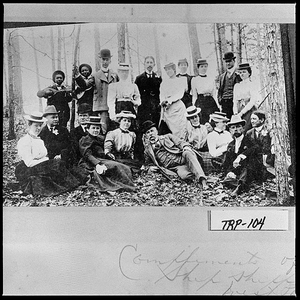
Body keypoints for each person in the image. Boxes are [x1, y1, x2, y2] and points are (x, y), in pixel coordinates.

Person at [15, 111, 81, 196]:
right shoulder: (25, 141)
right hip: (26, 169)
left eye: (40, 125)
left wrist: (48, 161)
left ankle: (73, 183)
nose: (38, 128)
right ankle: (70, 184)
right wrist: (48, 161)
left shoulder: (39, 140)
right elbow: (29, 163)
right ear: (29, 125)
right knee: (56, 165)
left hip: (40, 166)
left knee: (59, 164)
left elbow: (44, 155)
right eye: (36, 125)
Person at [141, 120, 207, 189]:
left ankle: (203, 180)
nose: (150, 134)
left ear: (156, 131)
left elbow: (181, 143)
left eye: (152, 131)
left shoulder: (168, 137)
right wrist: (150, 167)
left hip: (182, 158)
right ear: (146, 136)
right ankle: (197, 174)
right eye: (148, 133)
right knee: (184, 176)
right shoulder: (148, 150)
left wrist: (185, 147)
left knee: (187, 153)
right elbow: (148, 164)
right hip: (175, 168)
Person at [78, 116, 136, 194]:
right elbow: (87, 155)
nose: (96, 130)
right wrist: (97, 164)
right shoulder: (85, 139)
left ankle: (127, 184)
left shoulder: (100, 138)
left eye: (97, 128)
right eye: (93, 128)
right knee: (116, 166)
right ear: (88, 129)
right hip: (91, 162)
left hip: (103, 159)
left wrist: (109, 154)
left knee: (124, 165)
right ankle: (123, 186)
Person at [222, 114, 264, 196]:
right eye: (233, 128)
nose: (236, 129)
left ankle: (240, 187)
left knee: (248, 166)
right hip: (238, 172)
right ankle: (243, 184)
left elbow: (255, 148)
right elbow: (226, 164)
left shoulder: (249, 140)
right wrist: (229, 172)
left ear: (243, 128)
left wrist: (240, 156)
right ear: (230, 130)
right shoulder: (231, 145)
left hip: (252, 169)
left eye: (238, 127)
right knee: (226, 180)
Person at [92, 49, 119, 134]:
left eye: (107, 59)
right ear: (100, 60)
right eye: (103, 59)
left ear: (110, 60)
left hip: (113, 106)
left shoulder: (114, 75)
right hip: (101, 106)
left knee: (114, 128)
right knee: (103, 129)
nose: (105, 62)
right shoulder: (95, 75)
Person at [159, 62, 188, 140]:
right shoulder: (163, 83)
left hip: (177, 106)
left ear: (174, 69)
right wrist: (163, 102)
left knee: (180, 128)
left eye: (170, 69)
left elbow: (180, 94)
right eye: (167, 70)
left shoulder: (180, 80)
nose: (168, 71)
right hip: (168, 109)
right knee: (170, 128)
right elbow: (162, 95)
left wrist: (169, 100)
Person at [246, 110, 275, 178]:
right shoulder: (249, 133)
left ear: (262, 120)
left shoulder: (269, 130)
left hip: (268, 159)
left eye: (254, 119)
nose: (252, 121)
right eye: (251, 119)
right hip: (255, 160)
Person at [135, 55, 162, 128]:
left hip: (155, 108)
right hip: (144, 109)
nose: (149, 64)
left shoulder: (158, 78)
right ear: (144, 64)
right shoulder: (139, 78)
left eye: (151, 62)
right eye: (147, 62)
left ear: (154, 64)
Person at [185, 106, 213, 174]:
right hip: (194, 152)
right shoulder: (187, 130)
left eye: (196, 117)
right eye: (192, 118)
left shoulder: (204, 128)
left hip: (204, 150)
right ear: (189, 120)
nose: (195, 119)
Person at [233, 63, 260, 132]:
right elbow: (235, 101)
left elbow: (252, 101)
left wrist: (242, 113)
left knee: (247, 129)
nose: (242, 74)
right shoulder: (237, 86)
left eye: (244, 72)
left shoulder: (252, 84)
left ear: (249, 73)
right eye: (240, 72)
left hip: (249, 110)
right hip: (239, 109)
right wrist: (236, 113)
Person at [191, 59, 219, 124]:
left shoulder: (211, 78)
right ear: (198, 68)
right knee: (203, 120)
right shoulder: (195, 80)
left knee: (213, 119)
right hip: (201, 101)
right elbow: (194, 95)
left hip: (211, 101)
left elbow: (214, 94)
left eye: (205, 66)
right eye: (201, 67)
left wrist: (217, 104)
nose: (204, 68)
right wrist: (194, 106)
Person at [217, 51, 242, 119]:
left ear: (234, 60)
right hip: (225, 103)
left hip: (234, 102)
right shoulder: (222, 76)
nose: (228, 63)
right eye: (226, 61)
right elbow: (220, 91)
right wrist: (220, 100)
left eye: (230, 61)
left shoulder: (239, 74)